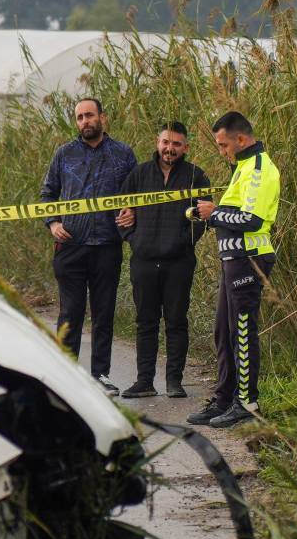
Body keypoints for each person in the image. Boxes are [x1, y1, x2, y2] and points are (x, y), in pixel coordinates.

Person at [186, 111, 280, 428]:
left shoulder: (258, 169)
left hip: (250, 259)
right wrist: (209, 213)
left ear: (241, 139)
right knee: (223, 332)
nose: (222, 151)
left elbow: (251, 221)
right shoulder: (241, 167)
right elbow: (235, 212)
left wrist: (213, 214)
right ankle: (225, 398)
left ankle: (247, 403)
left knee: (241, 331)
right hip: (233, 260)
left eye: (224, 145)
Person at [40, 98, 138, 396]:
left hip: (108, 245)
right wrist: (53, 223)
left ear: (102, 118)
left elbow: (137, 195)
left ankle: (102, 374)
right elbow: (47, 195)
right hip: (71, 246)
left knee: (104, 312)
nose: (85, 121)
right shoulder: (64, 154)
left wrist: (132, 211)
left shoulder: (123, 154)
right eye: (80, 117)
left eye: (89, 115)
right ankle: (65, 377)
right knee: (70, 312)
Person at [116, 121, 211, 399]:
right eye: (166, 142)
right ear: (158, 143)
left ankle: (174, 381)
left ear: (186, 147)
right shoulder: (139, 174)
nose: (170, 149)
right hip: (143, 260)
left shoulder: (196, 176)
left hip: (178, 262)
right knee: (145, 322)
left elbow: (204, 217)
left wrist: (183, 242)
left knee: (176, 322)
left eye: (176, 144)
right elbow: (120, 212)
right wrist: (133, 237)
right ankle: (144, 381)